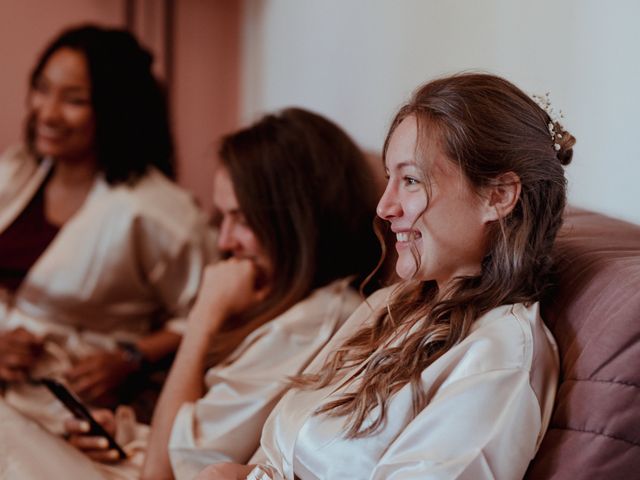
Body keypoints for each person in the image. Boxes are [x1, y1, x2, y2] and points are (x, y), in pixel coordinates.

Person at [199, 72, 576, 480]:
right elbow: (274, 454)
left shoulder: (499, 357)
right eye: (389, 179)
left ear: (498, 196)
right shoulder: (389, 305)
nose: (384, 207)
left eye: (410, 181)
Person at [56, 107, 382, 480]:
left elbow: (166, 471)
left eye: (242, 219)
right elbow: (194, 431)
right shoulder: (293, 305)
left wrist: (202, 318)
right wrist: (125, 435)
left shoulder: (311, 325)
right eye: (222, 217)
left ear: (298, 221)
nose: (225, 241)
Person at [0, 24, 214, 432]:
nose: (46, 112)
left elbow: (206, 314)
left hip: (68, 408)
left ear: (114, 108)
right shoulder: (16, 172)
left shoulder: (157, 212)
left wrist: (133, 357)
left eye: (74, 100)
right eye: (41, 89)